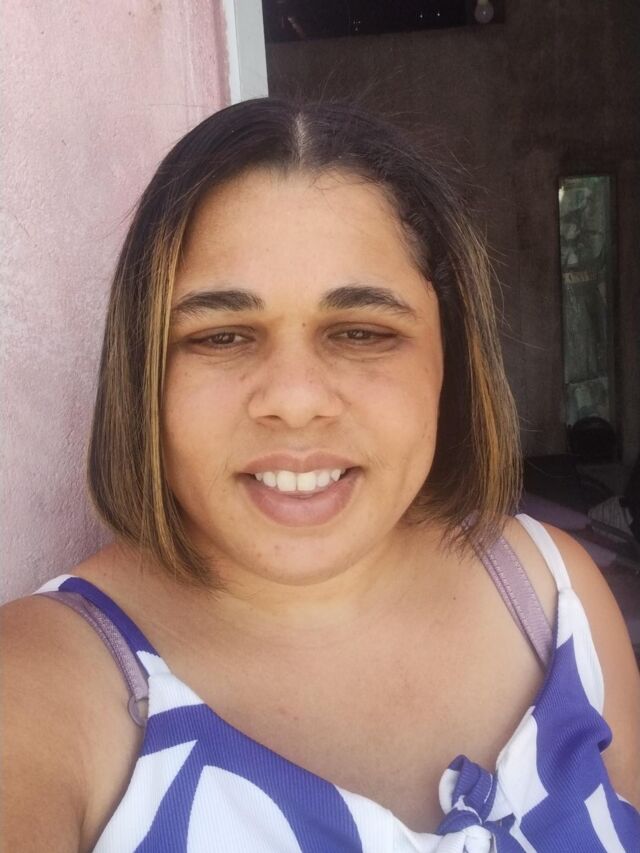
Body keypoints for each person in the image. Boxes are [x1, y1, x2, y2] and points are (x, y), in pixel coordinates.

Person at [2, 97, 639, 852]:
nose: (296, 400)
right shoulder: (41, 686)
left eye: (361, 332)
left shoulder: (554, 592)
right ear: (144, 375)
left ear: (450, 355)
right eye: (222, 335)